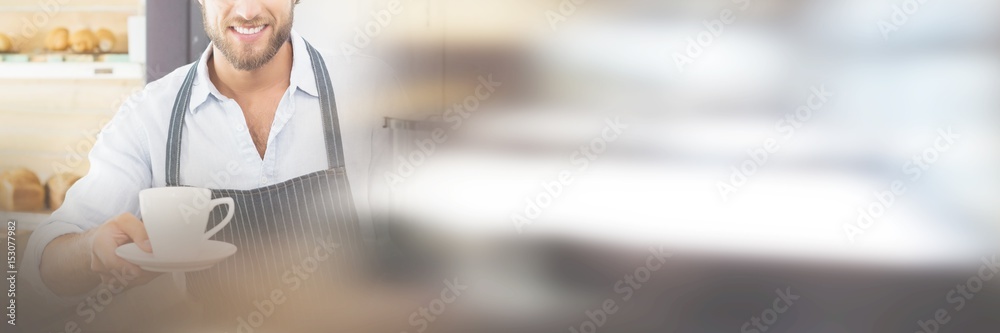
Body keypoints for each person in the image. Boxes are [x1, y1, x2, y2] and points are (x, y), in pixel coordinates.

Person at [24, 0, 401, 306]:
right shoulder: (149, 116)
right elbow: (39, 267)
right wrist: (92, 249)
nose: (248, 11)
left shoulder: (373, 89)